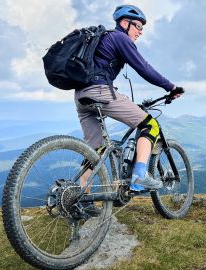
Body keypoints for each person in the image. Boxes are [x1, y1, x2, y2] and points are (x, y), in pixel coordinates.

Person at [75, 5, 181, 215]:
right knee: (150, 125)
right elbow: (144, 67)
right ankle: (140, 175)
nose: (140, 32)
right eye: (138, 27)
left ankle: (80, 198)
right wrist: (171, 87)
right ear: (125, 23)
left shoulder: (103, 40)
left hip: (80, 96)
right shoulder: (119, 38)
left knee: (95, 149)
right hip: (100, 91)